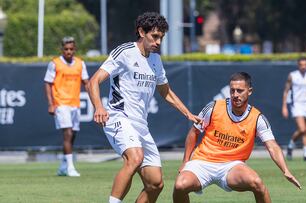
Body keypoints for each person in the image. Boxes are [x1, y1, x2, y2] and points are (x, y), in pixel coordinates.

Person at [88, 12, 201, 203]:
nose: (158, 41)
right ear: (141, 32)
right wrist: (99, 107)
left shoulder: (156, 60)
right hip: (118, 117)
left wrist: (188, 113)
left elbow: (166, 92)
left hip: (141, 125)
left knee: (156, 184)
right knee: (135, 157)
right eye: (154, 36)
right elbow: (93, 82)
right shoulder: (124, 52)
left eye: (161, 38)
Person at [173, 72, 301, 203]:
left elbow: (272, 146)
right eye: (232, 91)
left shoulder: (257, 118)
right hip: (202, 161)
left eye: (240, 91)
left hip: (232, 166)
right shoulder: (214, 107)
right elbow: (194, 132)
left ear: (249, 91)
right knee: (180, 186)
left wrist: (285, 170)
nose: (235, 95)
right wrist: (185, 161)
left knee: (257, 183)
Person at [44, 36, 89, 177]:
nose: (68, 52)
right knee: (68, 133)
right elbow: (47, 83)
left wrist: (95, 100)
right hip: (61, 103)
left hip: (75, 104)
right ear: (62, 50)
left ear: (74, 49)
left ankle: (63, 166)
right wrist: (51, 104)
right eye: (66, 49)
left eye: (71, 49)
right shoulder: (55, 63)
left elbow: (86, 82)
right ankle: (70, 167)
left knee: (73, 135)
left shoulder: (80, 64)